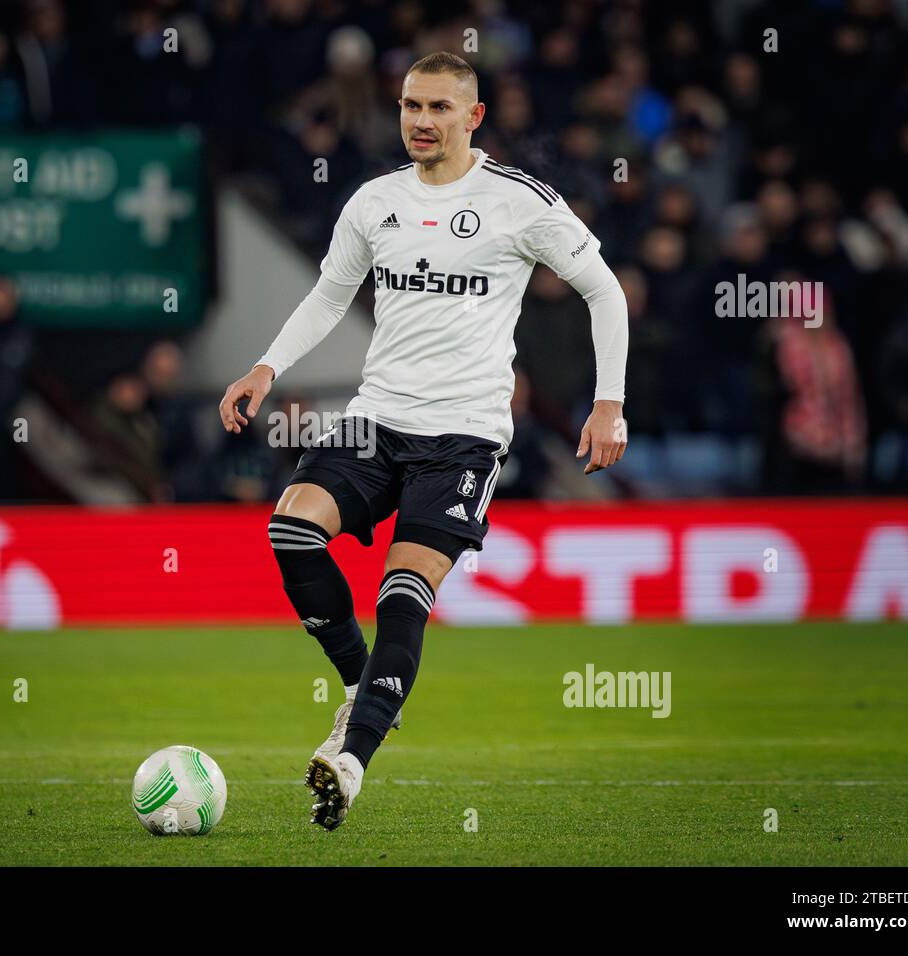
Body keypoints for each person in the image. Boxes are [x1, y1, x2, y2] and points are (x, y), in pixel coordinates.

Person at [218, 52, 629, 831]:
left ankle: (352, 758)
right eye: (411, 105)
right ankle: (357, 687)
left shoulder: (520, 201)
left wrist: (608, 404)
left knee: (402, 592)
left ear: (473, 117)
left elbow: (603, 291)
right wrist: (266, 367)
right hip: (378, 417)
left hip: (465, 437)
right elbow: (330, 294)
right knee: (290, 532)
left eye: (439, 107)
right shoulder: (374, 201)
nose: (421, 120)